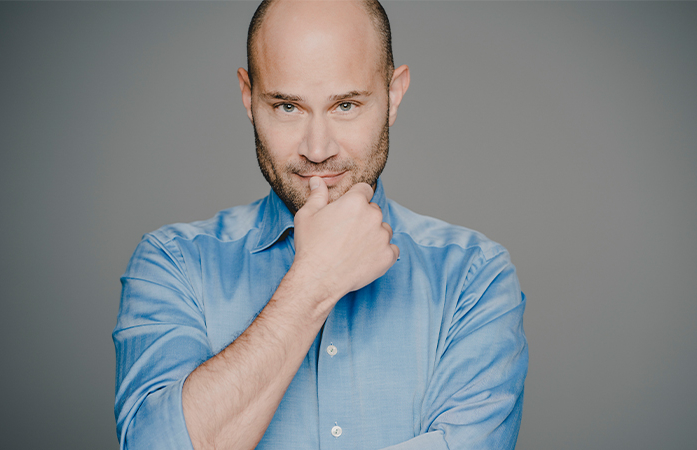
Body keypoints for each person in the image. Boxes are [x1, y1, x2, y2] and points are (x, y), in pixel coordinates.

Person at [113, 0, 528, 449]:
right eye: (288, 107)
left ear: (393, 94)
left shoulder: (473, 276)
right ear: (248, 97)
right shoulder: (174, 263)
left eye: (346, 105)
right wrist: (313, 283)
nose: (317, 148)